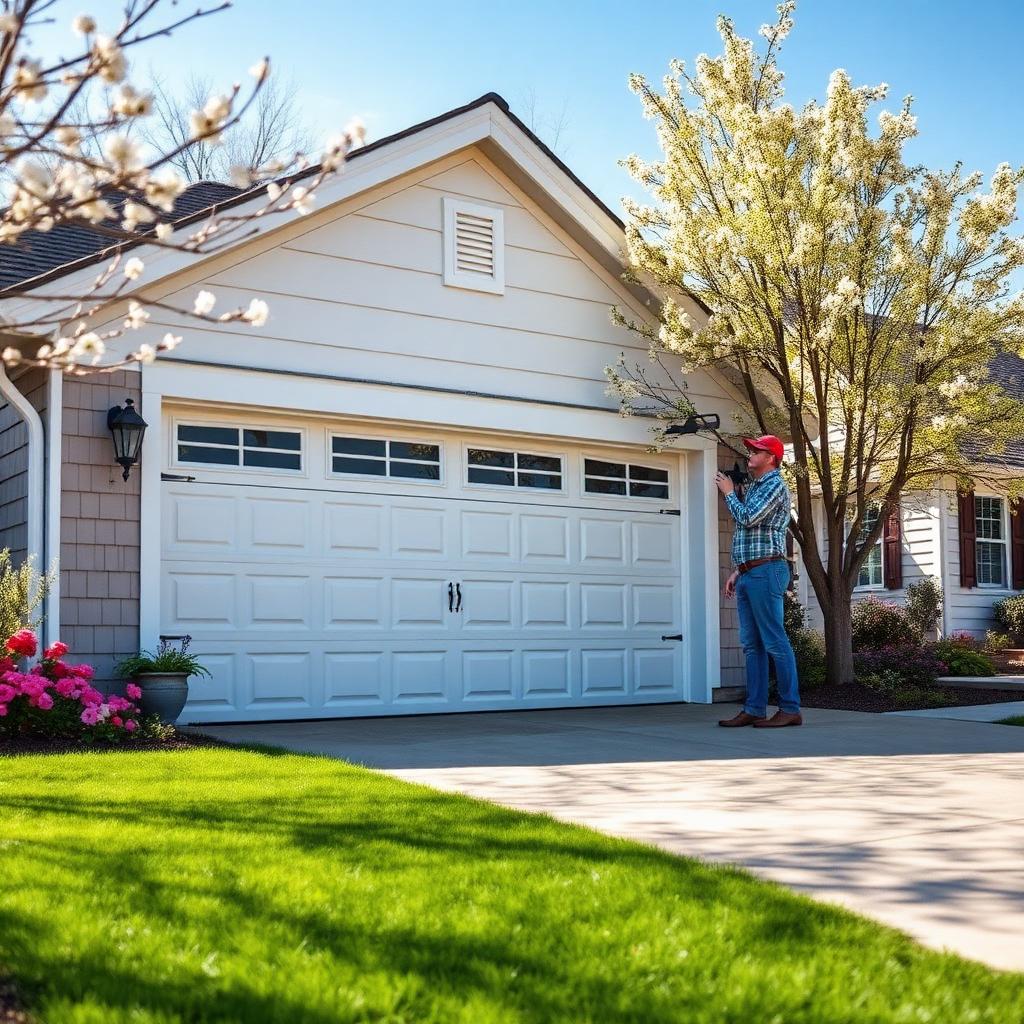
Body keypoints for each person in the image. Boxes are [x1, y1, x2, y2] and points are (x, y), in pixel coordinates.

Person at [715, 435, 802, 728]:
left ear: (771, 457)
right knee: (752, 646)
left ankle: (790, 709)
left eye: (757, 450)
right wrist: (739, 571)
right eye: (751, 449)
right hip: (751, 572)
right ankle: (754, 708)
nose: (750, 453)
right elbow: (756, 538)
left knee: (775, 642)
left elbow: (749, 519)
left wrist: (729, 493)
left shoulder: (774, 485)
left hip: (767, 573)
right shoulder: (756, 487)